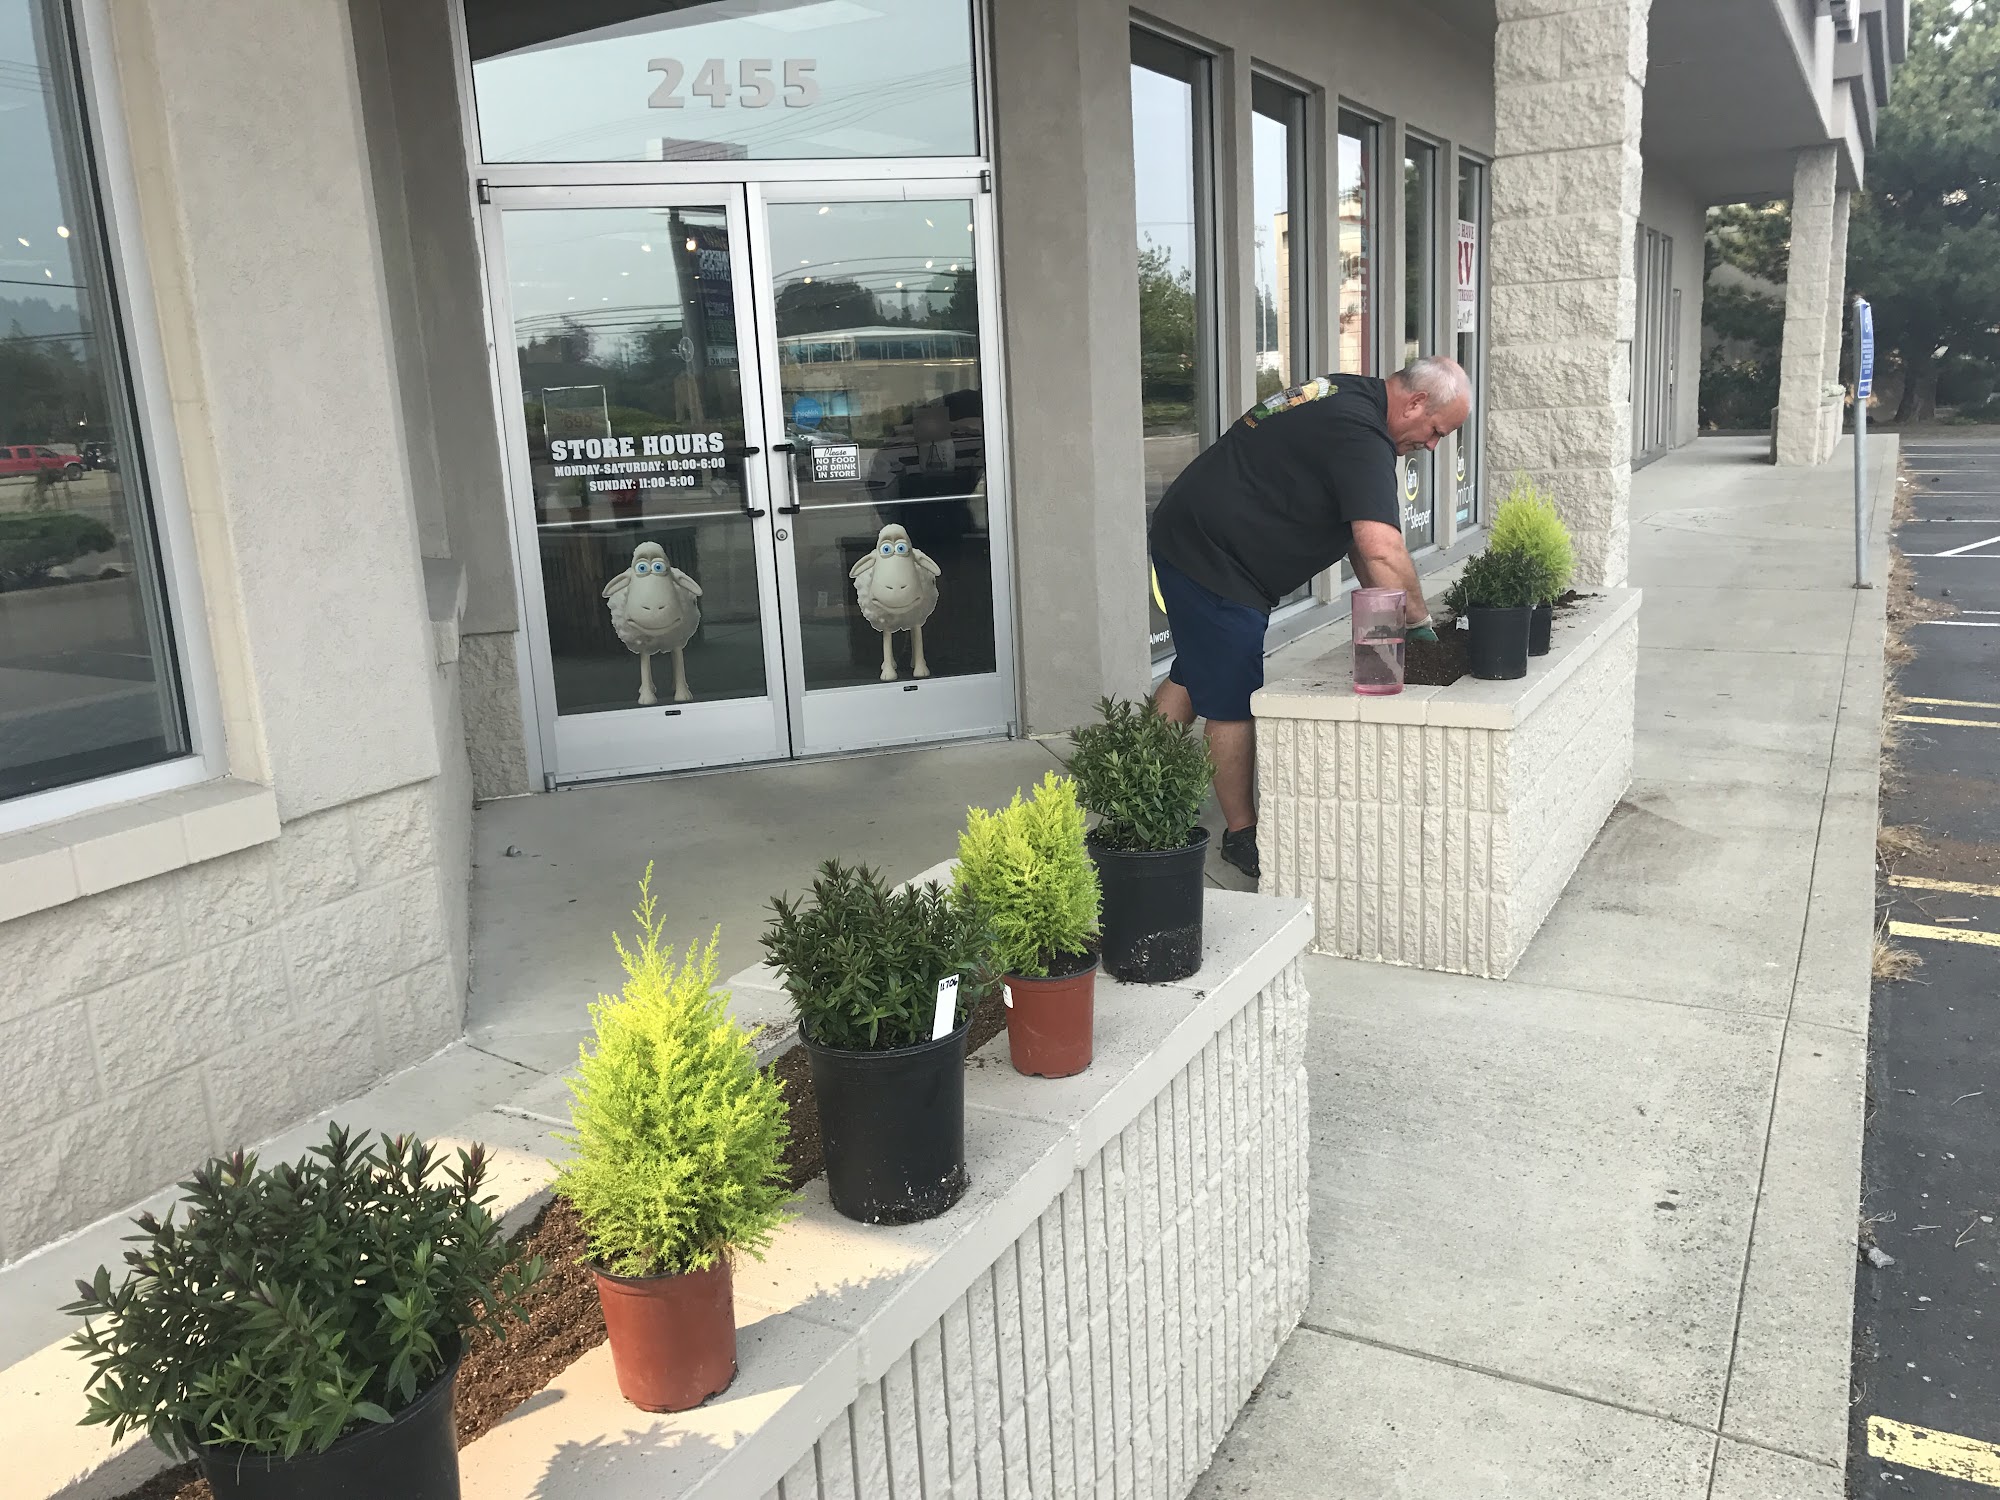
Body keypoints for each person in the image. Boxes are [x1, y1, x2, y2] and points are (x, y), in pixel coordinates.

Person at [1148, 355, 1473, 880]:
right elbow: (1381, 546)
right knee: (1231, 698)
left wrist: (1388, 623)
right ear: (1415, 403)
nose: (1433, 446)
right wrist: (1417, 624)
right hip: (1213, 555)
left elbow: (1362, 543)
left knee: (1198, 668)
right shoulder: (1361, 435)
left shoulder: (1351, 398)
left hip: (1199, 533)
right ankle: (1241, 832)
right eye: (1437, 431)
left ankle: (1139, 782)